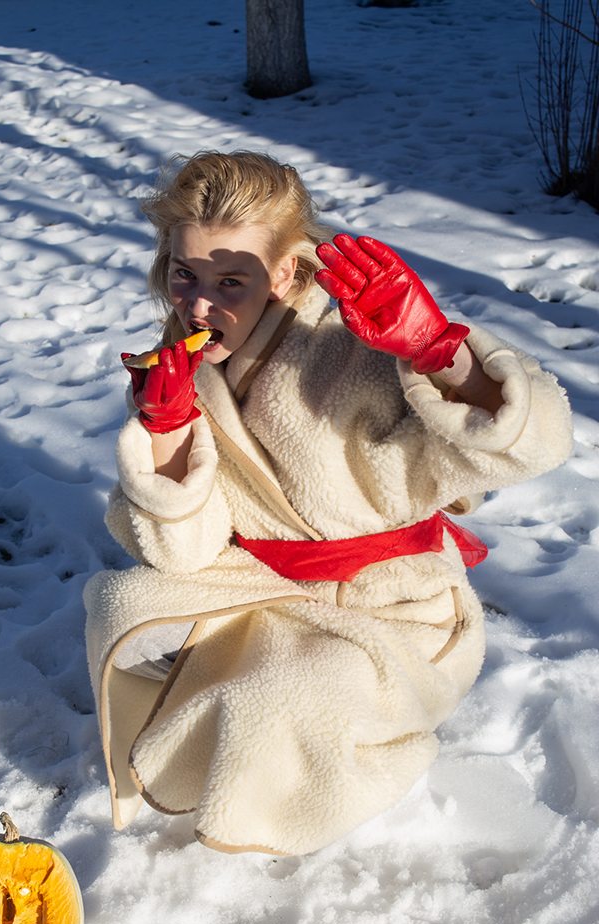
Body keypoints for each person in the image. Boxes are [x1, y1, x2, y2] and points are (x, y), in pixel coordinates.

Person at [84, 150, 572, 857]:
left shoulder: (355, 341)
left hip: (395, 606)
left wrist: (441, 352)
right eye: (182, 274)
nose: (197, 304)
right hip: (274, 586)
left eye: (231, 281)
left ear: (284, 273)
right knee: (120, 604)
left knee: (284, 695)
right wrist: (166, 435)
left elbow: (536, 444)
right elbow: (184, 549)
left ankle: (364, 764)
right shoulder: (183, 353)